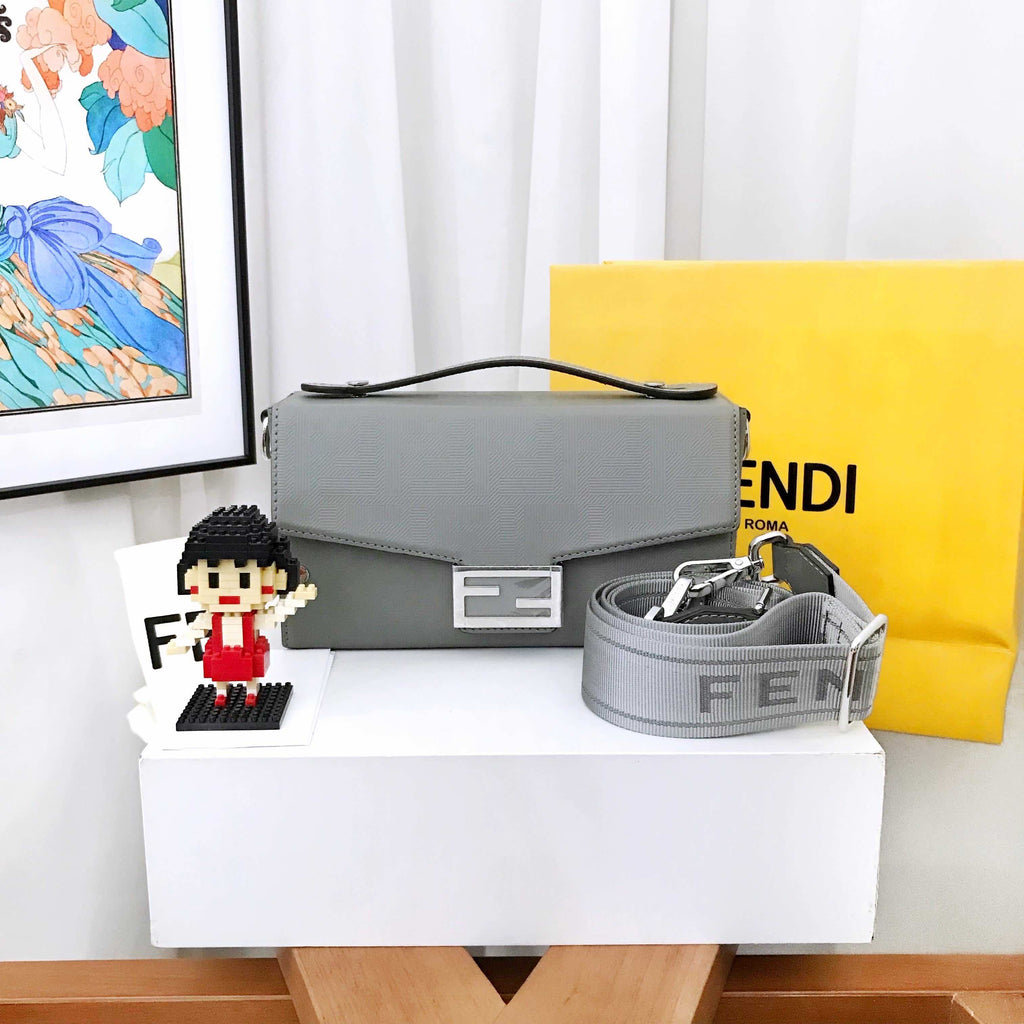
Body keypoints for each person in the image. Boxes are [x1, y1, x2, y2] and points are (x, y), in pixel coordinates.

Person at [168, 507, 318, 708]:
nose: (229, 591)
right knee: (219, 674)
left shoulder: (253, 616)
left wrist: (296, 599)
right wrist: (182, 643)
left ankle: (251, 693)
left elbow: (275, 614)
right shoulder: (213, 616)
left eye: (245, 580)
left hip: (247, 654)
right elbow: (197, 628)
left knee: (250, 674)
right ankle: (221, 693)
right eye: (213, 580)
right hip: (221, 654)